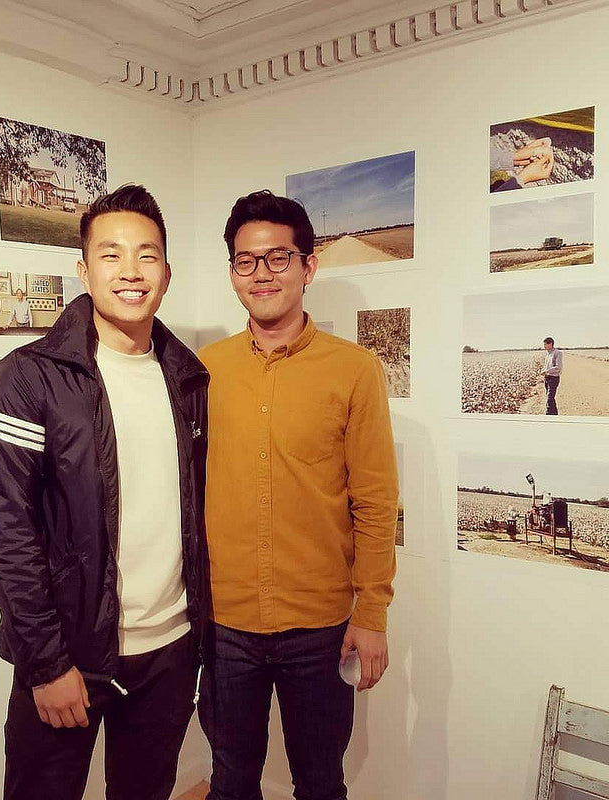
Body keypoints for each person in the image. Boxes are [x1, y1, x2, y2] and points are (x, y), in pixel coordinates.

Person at [0, 184, 210, 800]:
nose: (131, 271)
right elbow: (7, 532)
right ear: (84, 270)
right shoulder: (26, 377)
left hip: (169, 651)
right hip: (69, 654)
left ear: (167, 273)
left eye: (147, 255)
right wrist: (46, 663)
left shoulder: (189, 378)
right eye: (111, 254)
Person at [198, 190, 399, 800]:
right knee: (230, 782)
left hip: (320, 626)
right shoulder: (204, 370)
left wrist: (372, 613)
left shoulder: (355, 370)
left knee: (320, 783)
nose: (261, 274)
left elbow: (374, 501)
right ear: (233, 272)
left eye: (278, 258)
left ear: (308, 266)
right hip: (226, 625)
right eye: (245, 261)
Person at [541, 336, 562, 415]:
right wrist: (543, 371)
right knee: (550, 398)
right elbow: (547, 366)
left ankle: (548, 415)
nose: (544, 346)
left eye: (545, 344)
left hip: (553, 378)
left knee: (549, 399)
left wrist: (546, 371)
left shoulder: (557, 353)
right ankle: (554, 415)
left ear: (550, 344)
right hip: (547, 378)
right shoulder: (548, 354)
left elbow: (558, 367)